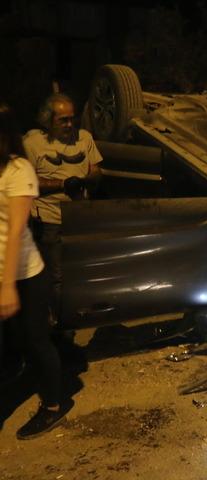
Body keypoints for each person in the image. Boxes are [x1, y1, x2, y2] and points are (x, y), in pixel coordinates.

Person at [0, 101, 71, 439]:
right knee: (15, 342)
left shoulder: (19, 171)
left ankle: (55, 405)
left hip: (25, 276)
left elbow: (15, 230)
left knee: (36, 341)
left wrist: (8, 287)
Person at [23, 93, 102, 319]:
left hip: (79, 219)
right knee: (56, 276)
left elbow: (96, 169)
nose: (70, 124)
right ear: (48, 120)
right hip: (50, 220)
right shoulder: (33, 143)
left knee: (79, 272)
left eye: (72, 119)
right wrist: (62, 184)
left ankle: (78, 315)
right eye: (63, 120)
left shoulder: (84, 138)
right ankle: (59, 321)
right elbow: (28, 182)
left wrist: (89, 179)